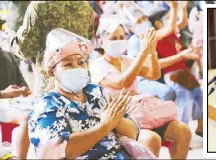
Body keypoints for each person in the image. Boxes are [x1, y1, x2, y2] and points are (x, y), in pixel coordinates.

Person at [28, 28, 150, 159]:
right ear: (51, 71)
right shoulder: (46, 106)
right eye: (68, 64)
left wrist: (117, 120)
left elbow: (133, 132)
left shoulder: (97, 92)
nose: (77, 68)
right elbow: (60, 150)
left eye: (81, 62)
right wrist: (105, 125)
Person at [90, 16, 192, 158]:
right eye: (113, 38)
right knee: (151, 139)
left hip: (142, 115)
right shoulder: (97, 65)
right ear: (101, 42)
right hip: (120, 121)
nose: (119, 41)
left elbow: (153, 74)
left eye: (121, 37)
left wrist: (152, 52)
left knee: (183, 130)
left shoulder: (127, 60)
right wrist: (143, 53)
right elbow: (122, 83)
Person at [0, 1, 94, 97]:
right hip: (81, 81)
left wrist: (9, 37)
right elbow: (88, 39)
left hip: (52, 85)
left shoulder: (39, 6)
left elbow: (25, 50)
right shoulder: (84, 5)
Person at [149, 1, 203, 136]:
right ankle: (181, 133)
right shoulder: (155, 35)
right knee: (183, 101)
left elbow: (182, 22)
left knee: (199, 95)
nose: (169, 19)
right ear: (157, 23)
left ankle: (201, 128)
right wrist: (173, 6)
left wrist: (183, 8)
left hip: (185, 72)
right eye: (166, 17)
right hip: (172, 74)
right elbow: (172, 26)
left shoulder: (171, 32)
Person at [0, 15, 31, 159]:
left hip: (15, 104)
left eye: (0, 28)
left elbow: (21, 79)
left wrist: (23, 89)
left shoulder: (8, 55)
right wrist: (1, 94)